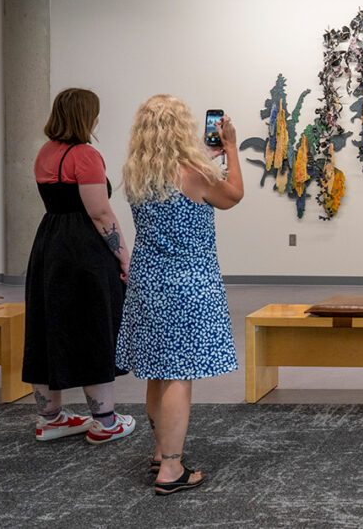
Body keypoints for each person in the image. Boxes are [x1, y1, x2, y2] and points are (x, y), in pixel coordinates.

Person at [117, 95, 243, 496]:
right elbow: (233, 195)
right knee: (178, 375)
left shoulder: (137, 173)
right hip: (186, 284)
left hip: (147, 282)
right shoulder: (194, 173)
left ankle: (160, 450)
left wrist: (205, 157)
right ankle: (171, 468)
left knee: (156, 371)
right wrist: (231, 148)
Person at [23, 88, 136, 444]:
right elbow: (99, 212)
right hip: (83, 250)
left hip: (49, 244)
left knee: (46, 324)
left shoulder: (45, 152)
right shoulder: (86, 155)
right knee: (93, 325)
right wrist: (124, 256)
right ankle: (105, 421)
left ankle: (50, 418)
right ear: (88, 117)